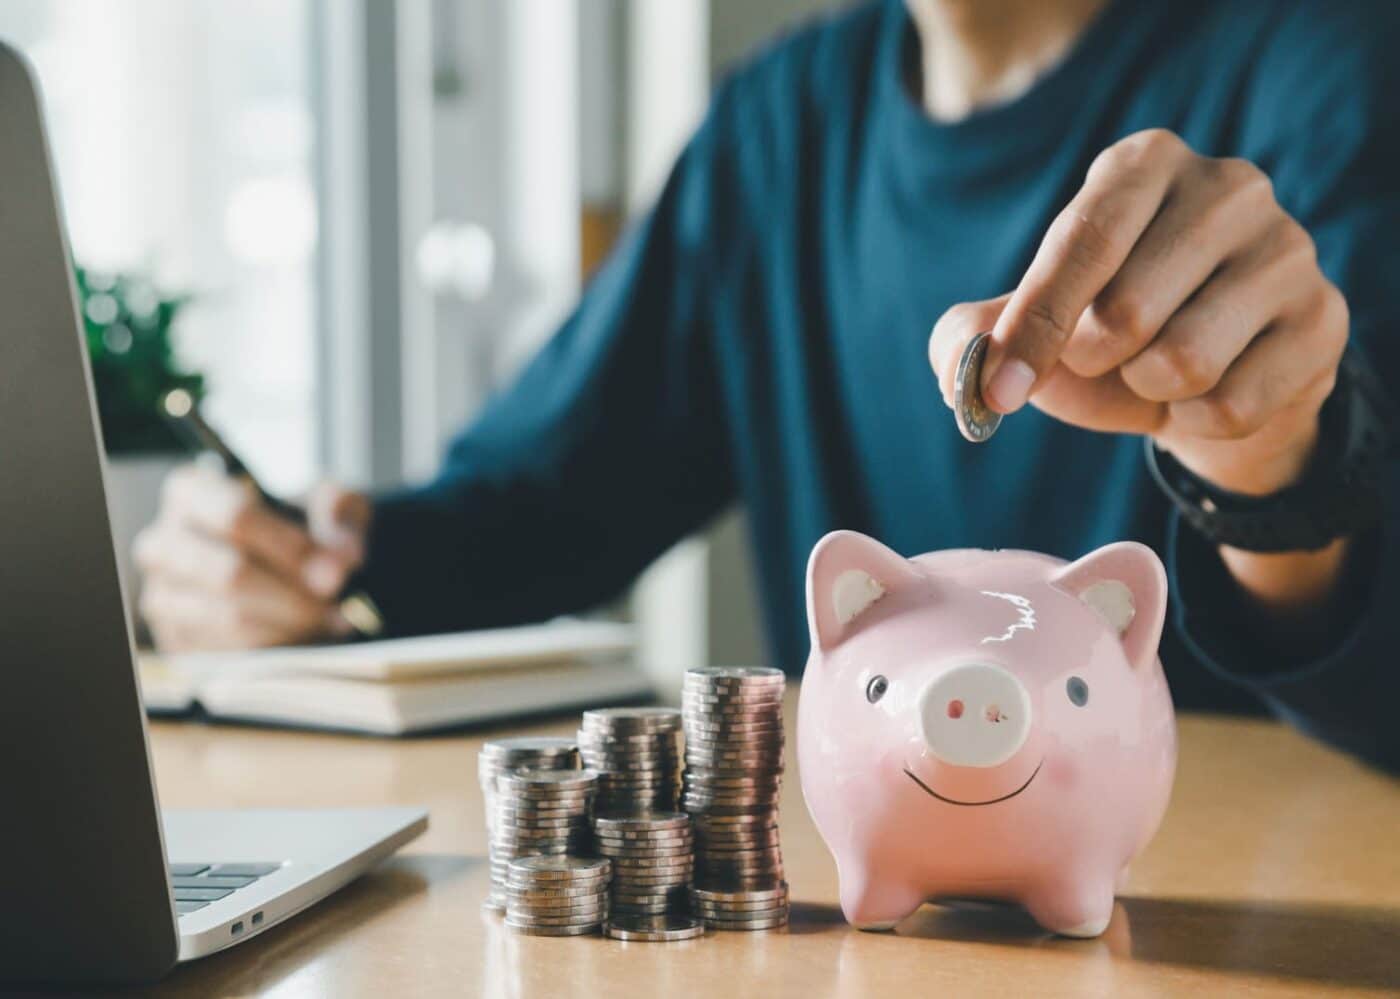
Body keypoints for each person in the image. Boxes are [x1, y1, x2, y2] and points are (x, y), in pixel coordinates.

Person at [135, 0, 1400, 772]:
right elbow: (532, 513)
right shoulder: (777, 125)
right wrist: (294, 570)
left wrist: (1268, 458)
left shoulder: (1330, 62)